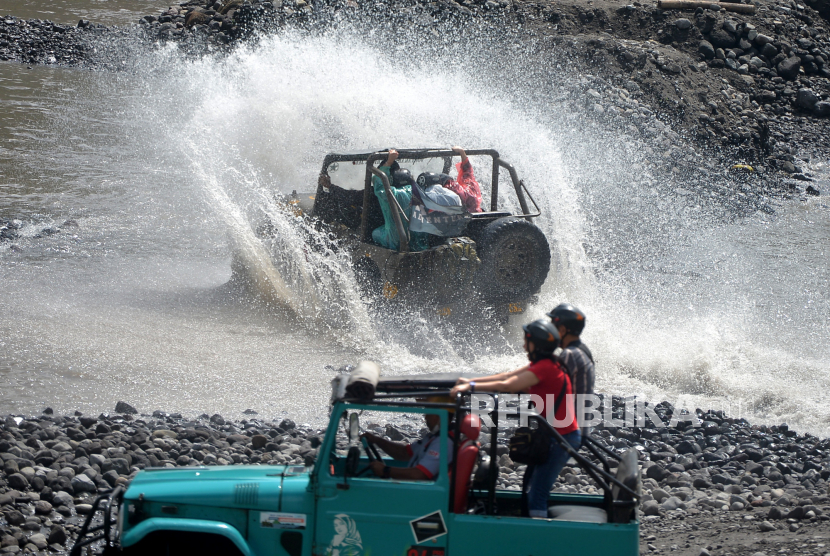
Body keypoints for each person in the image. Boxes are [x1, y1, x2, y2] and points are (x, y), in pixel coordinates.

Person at [450, 319, 580, 518]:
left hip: (560, 438)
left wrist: (471, 388)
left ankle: (538, 541)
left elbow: (508, 386)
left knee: (538, 492)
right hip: (559, 435)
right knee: (534, 487)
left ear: (537, 344)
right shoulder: (546, 365)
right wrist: (470, 381)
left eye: (526, 341)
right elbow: (506, 376)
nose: (523, 346)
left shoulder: (544, 368)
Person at [360, 401, 454, 481]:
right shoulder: (432, 438)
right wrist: (377, 440)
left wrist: (385, 470)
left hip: (422, 496)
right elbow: (404, 453)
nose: (425, 418)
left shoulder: (443, 443)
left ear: (439, 415)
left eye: (428, 413)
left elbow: (419, 475)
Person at [548, 303, 595, 443]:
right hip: (579, 426)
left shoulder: (569, 355)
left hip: (568, 431)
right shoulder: (582, 350)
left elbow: (551, 389)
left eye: (553, 328)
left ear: (562, 330)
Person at [371, 149, 428, 252]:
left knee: (374, 233)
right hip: (419, 242)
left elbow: (379, 183)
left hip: (396, 240)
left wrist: (388, 163)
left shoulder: (391, 193)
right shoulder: (419, 192)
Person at [444, 146, 483, 213]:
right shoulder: (470, 184)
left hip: (466, 219)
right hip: (477, 216)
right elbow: (467, 169)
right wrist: (462, 152)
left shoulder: (457, 192)